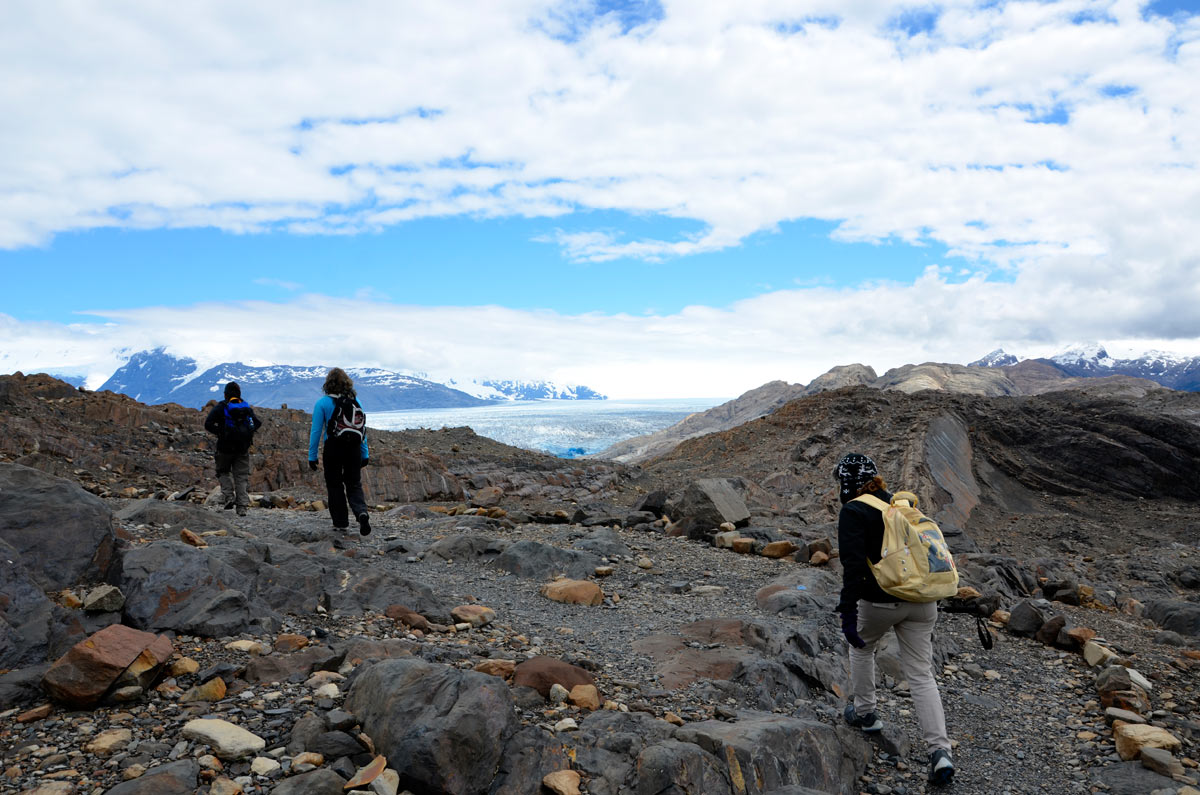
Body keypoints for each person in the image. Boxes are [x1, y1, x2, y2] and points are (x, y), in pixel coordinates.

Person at [834, 453, 955, 787]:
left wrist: (847, 612)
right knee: (920, 674)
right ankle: (940, 751)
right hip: (922, 602)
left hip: (880, 602)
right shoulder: (902, 506)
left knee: (861, 648)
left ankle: (865, 713)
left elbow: (854, 567)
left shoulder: (854, 511)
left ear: (846, 483)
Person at [308, 367, 371, 535]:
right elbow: (362, 430)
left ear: (328, 384)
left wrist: (312, 456)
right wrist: (365, 453)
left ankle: (341, 522)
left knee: (334, 485)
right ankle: (361, 512)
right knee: (354, 484)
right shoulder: (356, 401)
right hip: (354, 449)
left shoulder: (322, 403)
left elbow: (316, 431)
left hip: (333, 448)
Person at [202, 382, 261, 517]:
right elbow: (257, 423)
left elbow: (208, 424)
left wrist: (221, 432)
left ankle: (229, 497)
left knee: (222, 471)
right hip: (242, 448)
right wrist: (247, 433)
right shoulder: (245, 407)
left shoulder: (221, 407)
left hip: (224, 447)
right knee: (241, 477)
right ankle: (242, 507)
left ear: (225, 394)